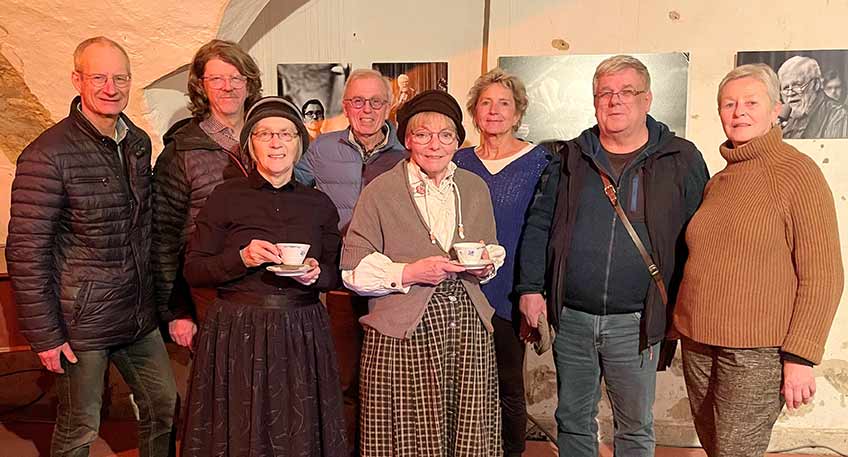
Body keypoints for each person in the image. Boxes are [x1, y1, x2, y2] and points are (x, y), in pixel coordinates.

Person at [515, 55, 709, 457]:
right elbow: (538, 225)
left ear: (648, 99)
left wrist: (686, 309)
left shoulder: (681, 158)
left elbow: (700, 237)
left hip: (636, 321)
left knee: (635, 425)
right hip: (573, 318)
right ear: (594, 101)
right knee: (572, 418)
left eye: (626, 92)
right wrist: (531, 288)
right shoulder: (570, 158)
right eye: (606, 93)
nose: (615, 101)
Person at [6, 36, 177, 457]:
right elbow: (26, 252)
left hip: (137, 314)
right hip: (81, 321)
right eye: (98, 77)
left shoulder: (137, 142)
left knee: (163, 404)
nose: (111, 87)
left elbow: (145, 230)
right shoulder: (47, 154)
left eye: (120, 77)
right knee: (80, 425)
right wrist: (46, 337)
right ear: (76, 79)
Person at [674, 63, 843, 457]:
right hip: (698, 342)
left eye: (751, 102)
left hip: (756, 351)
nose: (739, 112)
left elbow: (824, 274)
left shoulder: (798, 172)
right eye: (729, 104)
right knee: (716, 447)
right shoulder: (719, 180)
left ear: (776, 110)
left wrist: (801, 355)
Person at [341, 90, 506, 456]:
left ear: (457, 141)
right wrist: (410, 272)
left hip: (466, 326)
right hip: (403, 330)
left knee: (468, 428)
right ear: (408, 140)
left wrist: (486, 265)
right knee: (409, 432)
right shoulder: (380, 191)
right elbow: (352, 269)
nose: (435, 144)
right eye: (423, 134)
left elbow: (490, 249)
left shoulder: (473, 188)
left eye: (445, 135)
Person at [180, 96, 346, 456]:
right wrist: (241, 257)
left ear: (299, 144)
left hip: (302, 327)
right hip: (238, 329)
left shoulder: (318, 203)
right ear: (250, 144)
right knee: (239, 428)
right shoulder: (225, 197)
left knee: (297, 428)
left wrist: (315, 276)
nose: (276, 142)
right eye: (265, 134)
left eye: (286, 134)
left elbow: (335, 273)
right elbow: (194, 269)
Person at [293, 68, 407, 455]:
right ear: (345, 106)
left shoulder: (406, 155)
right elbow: (295, 196)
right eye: (358, 101)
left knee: (384, 380)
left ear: (389, 107)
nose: (367, 110)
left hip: (388, 285)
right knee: (341, 376)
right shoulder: (321, 149)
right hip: (338, 281)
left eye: (376, 102)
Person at [453, 68, 550, 457]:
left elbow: (543, 231)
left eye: (503, 104)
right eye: (485, 103)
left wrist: (534, 290)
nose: (494, 111)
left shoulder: (540, 161)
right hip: (459, 291)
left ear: (517, 112)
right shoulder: (457, 161)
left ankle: (511, 452)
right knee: (462, 384)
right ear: (475, 112)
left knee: (508, 383)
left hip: (510, 291)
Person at [152, 39, 261, 349]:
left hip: (266, 293)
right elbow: (163, 239)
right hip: (208, 295)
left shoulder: (270, 139)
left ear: (249, 83)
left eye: (236, 77)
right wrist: (177, 311)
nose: (228, 87)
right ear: (201, 86)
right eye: (216, 78)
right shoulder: (181, 153)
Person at [777, 56, 848, 138]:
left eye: (797, 85)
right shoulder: (785, 120)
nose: (790, 93)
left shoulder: (839, 116)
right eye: (785, 88)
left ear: (816, 84)